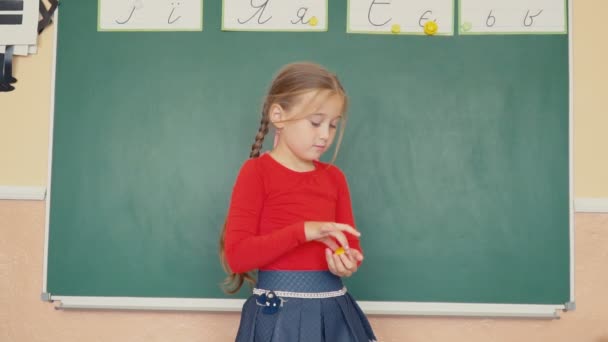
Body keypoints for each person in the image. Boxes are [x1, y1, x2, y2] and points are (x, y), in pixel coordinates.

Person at [219, 62, 377, 342]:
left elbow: (349, 247)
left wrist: (348, 262)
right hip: (277, 318)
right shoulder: (256, 173)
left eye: (332, 125)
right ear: (278, 115)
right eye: (315, 122)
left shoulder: (335, 178)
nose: (325, 135)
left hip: (334, 312)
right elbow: (238, 256)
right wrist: (304, 231)